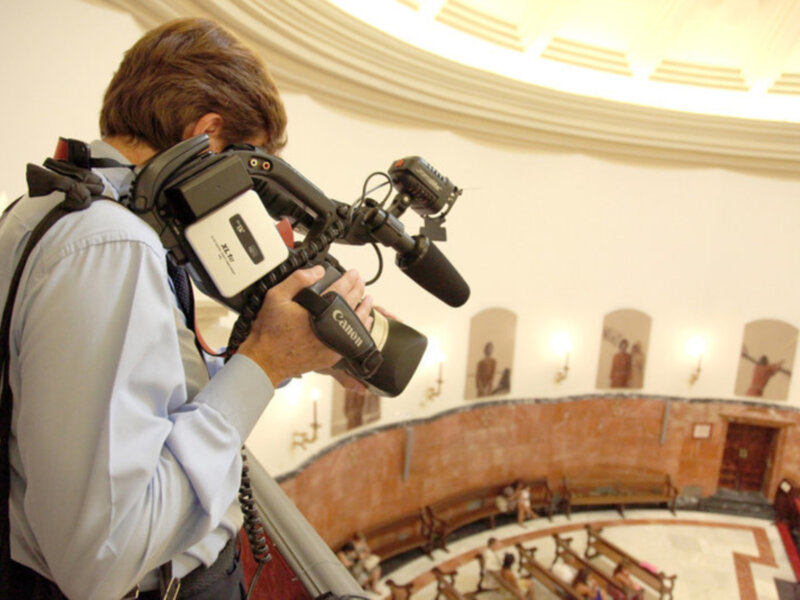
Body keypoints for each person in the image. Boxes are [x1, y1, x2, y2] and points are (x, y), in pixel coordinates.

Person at [0, 18, 375, 600]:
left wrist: (289, 354)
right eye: (246, 171)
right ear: (205, 134)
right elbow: (102, 558)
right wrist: (264, 364)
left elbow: (133, 420)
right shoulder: (112, 244)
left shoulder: (50, 206)